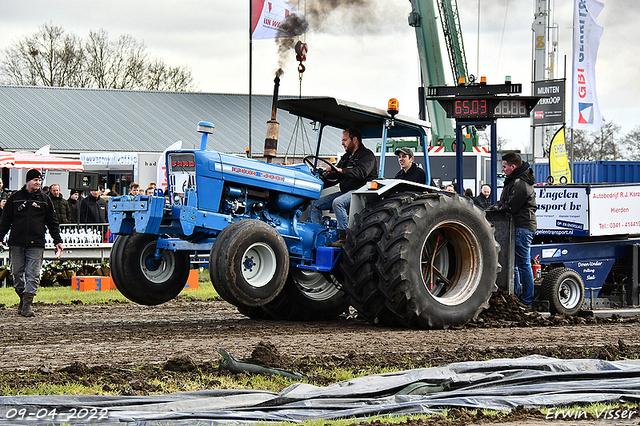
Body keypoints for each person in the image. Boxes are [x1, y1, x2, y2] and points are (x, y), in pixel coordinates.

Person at [0, 169, 63, 317]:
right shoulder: (15, 198)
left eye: (40, 180)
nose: (38, 183)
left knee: (33, 275)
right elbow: (5, 220)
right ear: (28, 181)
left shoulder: (44, 200)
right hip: (16, 242)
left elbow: (52, 222)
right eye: (35, 180)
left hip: (36, 243)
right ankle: (23, 297)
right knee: (16, 273)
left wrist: (58, 241)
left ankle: (27, 305)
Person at [309, 128, 377, 247]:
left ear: (354, 140)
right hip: (345, 192)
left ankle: (343, 237)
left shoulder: (367, 155)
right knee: (315, 204)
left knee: (338, 203)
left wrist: (341, 170)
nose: (342, 143)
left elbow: (362, 172)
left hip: (360, 192)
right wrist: (318, 180)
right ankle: (317, 235)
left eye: (345, 140)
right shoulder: (346, 157)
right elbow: (335, 175)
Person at [488, 152, 537, 308]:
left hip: (523, 226)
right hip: (519, 226)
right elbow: (504, 203)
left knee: (522, 263)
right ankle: (515, 297)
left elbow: (510, 205)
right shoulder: (515, 181)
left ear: (513, 166)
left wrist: (495, 209)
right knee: (515, 263)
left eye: (504, 167)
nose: (503, 170)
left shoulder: (520, 184)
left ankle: (526, 300)